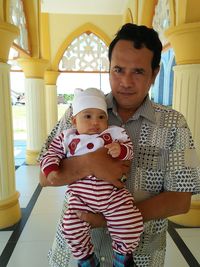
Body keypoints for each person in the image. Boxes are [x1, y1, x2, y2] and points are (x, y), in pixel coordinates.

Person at [39, 23, 200, 267]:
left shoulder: (173, 124)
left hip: (141, 255)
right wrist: (89, 163)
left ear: (155, 73)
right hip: (74, 255)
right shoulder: (82, 112)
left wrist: (113, 219)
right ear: (109, 67)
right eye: (118, 69)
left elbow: (180, 200)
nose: (125, 81)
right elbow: (44, 176)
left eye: (137, 71)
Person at [40, 87, 144, 266]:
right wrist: (51, 168)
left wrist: (120, 150)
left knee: (131, 222)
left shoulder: (113, 134)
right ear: (74, 120)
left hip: (113, 196)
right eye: (87, 116)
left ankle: (123, 257)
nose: (95, 122)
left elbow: (129, 151)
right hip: (81, 198)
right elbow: (51, 153)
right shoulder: (67, 137)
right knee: (71, 227)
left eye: (101, 116)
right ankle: (86, 259)